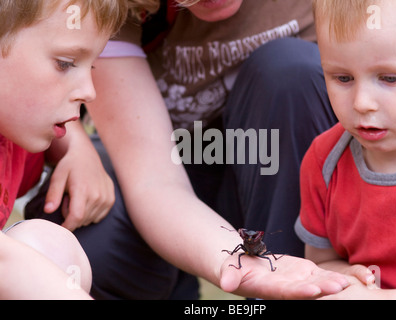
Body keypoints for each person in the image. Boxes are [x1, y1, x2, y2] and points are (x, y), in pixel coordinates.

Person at [27, 0, 345, 299]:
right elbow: (152, 180)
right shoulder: (115, 9)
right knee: (85, 234)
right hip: (172, 162)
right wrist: (225, 256)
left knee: (290, 72)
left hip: (280, 163)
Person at [296, 0, 396, 299]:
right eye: (343, 78)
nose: (362, 102)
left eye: (390, 78)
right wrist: (342, 277)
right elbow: (320, 260)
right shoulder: (325, 160)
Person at [0, 0, 128, 298]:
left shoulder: (17, 135)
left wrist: (78, 148)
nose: (89, 91)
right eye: (65, 63)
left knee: (51, 248)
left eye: (90, 66)